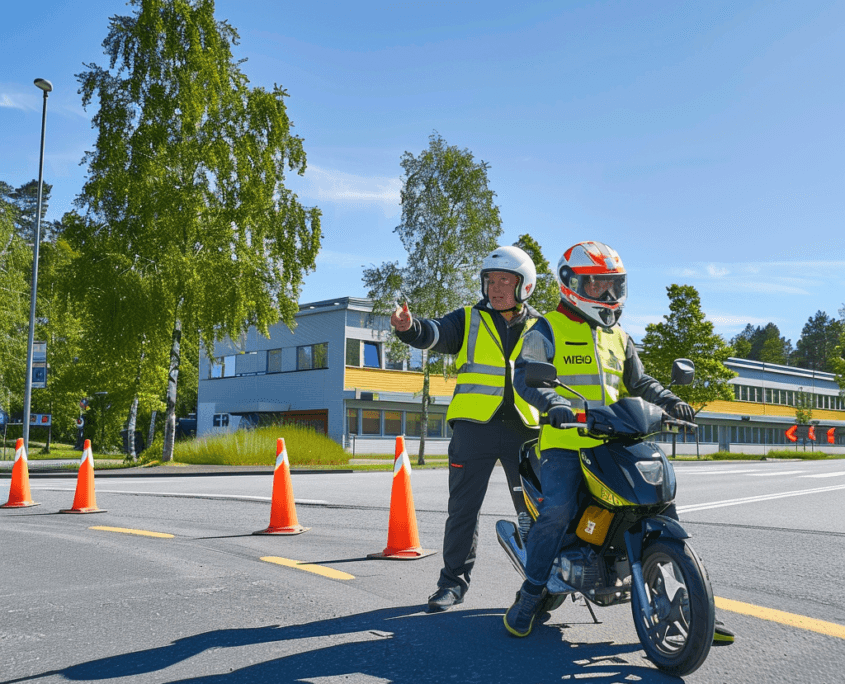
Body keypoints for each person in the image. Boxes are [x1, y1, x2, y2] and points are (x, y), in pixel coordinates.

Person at [503, 240, 735, 644]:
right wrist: (552, 401)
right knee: (558, 509)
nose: (608, 295)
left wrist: (670, 401)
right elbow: (525, 375)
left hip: (616, 438)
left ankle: (696, 605)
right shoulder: (546, 328)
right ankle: (531, 592)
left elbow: (640, 382)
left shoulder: (619, 337)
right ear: (571, 283)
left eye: (614, 286)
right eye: (597, 286)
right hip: (566, 441)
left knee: (662, 503)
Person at [390, 245, 542, 612]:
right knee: (462, 511)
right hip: (475, 431)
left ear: (525, 285)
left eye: (505, 280)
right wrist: (410, 328)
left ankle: (541, 587)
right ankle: (452, 585)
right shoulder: (468, 318)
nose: (495, 287)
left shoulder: (543, 327)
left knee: (539, 514)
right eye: (490, 280)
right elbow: (435, 333)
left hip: (527, 432)